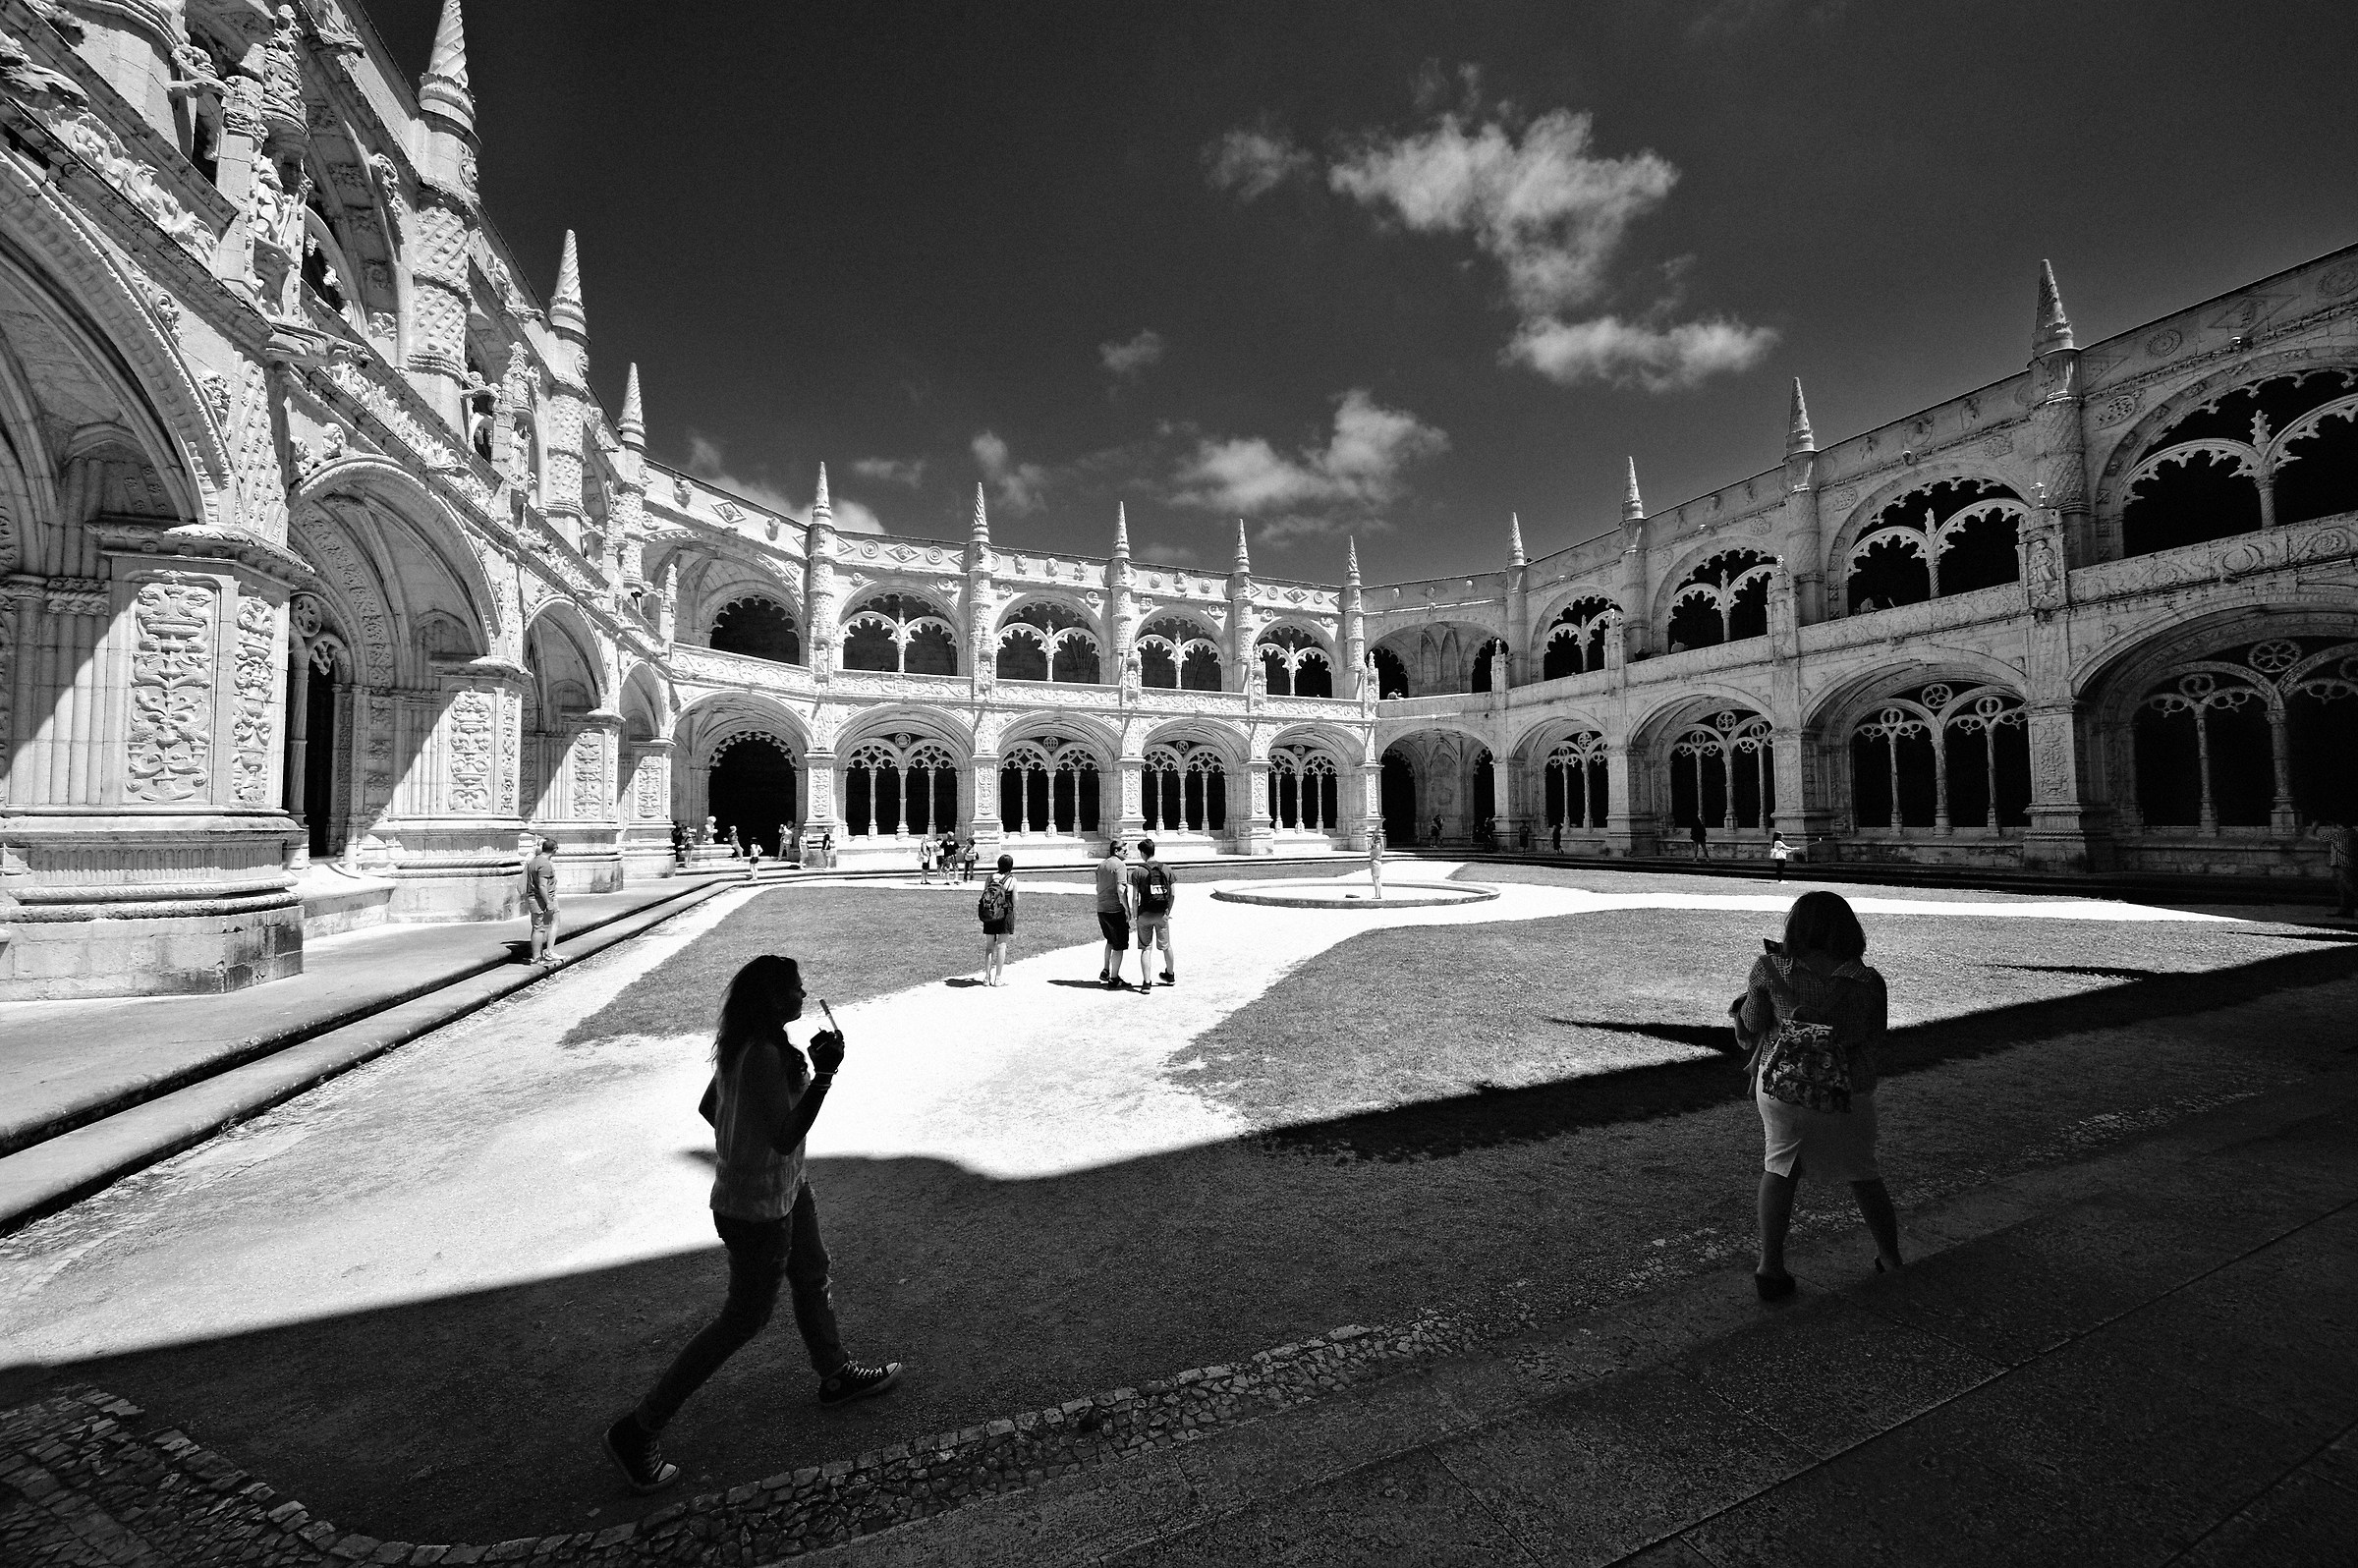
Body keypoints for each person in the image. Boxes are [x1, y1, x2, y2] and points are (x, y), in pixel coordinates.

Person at [602, 956, 902, 1494]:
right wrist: (825, 1077)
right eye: (793, 989)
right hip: (757, 1210)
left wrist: (745, 1137)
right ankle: (637, 1429)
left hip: (787, 1191)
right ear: (769, 1000)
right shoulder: (761, 1055)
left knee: (812, 1274)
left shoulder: (744, 1045)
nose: (803, 995)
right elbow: (785, 1136)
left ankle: (834, 1375)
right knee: (741, 1320)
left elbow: (709, 1107)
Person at [1734, 891, 1903, 1302]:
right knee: (1863, 1170)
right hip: (1846, 1087)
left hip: (1783, 1085)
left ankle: (1770, 1269)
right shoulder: (1867, 982)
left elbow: (1753, 1025)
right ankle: (1890, 1259)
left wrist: (1748, 1009)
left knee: (1780, 1166)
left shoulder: (1769, 970)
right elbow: (1873, 1034)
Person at [1127, 838, 1177, 990]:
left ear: (1142, 853)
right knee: (1166, 945)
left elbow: (1135, 897)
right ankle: (1170, 974)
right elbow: (1173, 893)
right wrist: (1168, 910)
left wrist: (1135, 916)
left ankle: (1146, 983)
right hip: (1161, 913)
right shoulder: (1166, 869)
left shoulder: (1138, 871)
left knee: (1146, 948)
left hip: (1145, 914)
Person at [1093, 837, 1131, 988]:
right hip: (1115, 909)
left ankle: (1106, 970)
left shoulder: (1101, 865)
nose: (1127, 853)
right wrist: (1127, 909)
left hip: (1101, 909)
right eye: (1125, 851)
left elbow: (1098, 886)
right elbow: (1121, 890)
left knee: (1110, 940)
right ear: (1116, 851)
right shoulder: (1120, 865)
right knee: (1119, 945)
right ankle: (1114, 979)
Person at [978, 854, 1018, 984]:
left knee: (989, 947)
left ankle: (987, 977)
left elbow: (985, 894)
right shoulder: (1012, 880)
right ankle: (998, 978)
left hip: (990, 914)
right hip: (1005, 913)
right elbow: (1014, 900)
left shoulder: (989, 877)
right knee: (1002, 945)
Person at [523, 836, 560, 963]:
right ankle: (539, 956)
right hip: (542, 899)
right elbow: (542, 885)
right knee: (540, 927)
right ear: (554, 850)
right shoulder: (545, 864)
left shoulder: (534, 861)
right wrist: (549, 902)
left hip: (536, 898)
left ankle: (541, 955)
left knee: (541, 926)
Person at [2316, 817, 2356, 917]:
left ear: (2340, 826)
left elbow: (2310, 837)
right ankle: (2346, 911)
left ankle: (2346, 911)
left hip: (2343, 865)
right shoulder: (2354, 833)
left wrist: (2314, 826)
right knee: (2345, 890)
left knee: (2351, 888)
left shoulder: (2338, 835)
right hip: (2352, 864)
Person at [1367, 823, 1386, 900]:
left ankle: (1377, 895)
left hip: (1375, 862)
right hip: (1378, 862)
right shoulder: (1380, 847)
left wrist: (1370, 842)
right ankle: (1378, 894)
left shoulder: (1376, 847)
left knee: (1375, 879)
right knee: (1378, 879)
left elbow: (1369, 849)